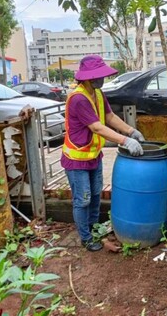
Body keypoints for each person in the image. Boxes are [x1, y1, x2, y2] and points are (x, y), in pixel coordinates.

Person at [61, 55, 145, 252]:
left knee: (96, 195)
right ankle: (85, 237)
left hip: (93, 156)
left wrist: (130, 130)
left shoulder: (97, 93)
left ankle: (93, 230)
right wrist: (125, 140)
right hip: (77, 158)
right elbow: (97, 128)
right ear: (89, 78)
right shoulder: (79, 98)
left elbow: (109, 116)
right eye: (99, 76)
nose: (103, 80)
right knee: (83, 199)